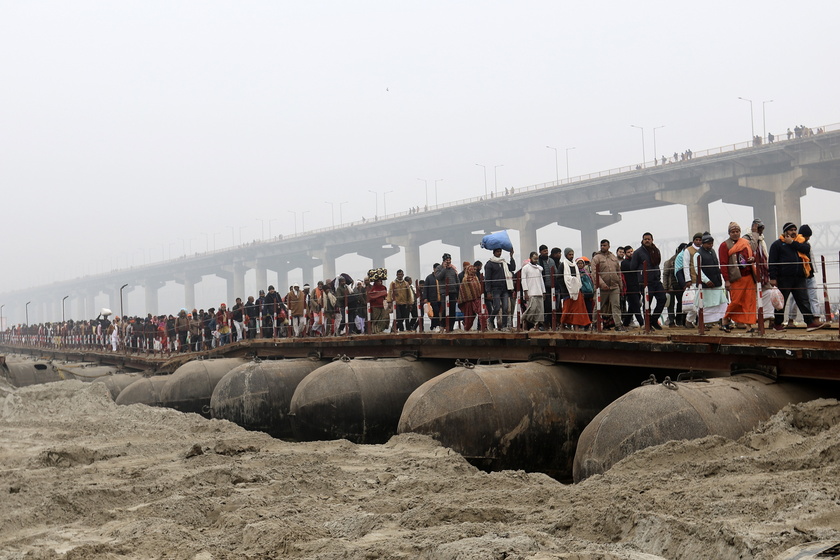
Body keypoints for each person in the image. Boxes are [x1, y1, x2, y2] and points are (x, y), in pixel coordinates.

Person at [768, 222, 826, 332]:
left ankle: (809, 323)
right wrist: (773, 278)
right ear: (785, 232)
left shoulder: (799, 244)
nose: (794, 232)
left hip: (799, 278)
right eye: (791, 230)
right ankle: (777, 324)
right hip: (784, 278)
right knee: (781, 302)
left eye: (795, 229)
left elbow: (806, 249)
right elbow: (772, 262)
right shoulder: (777, 245)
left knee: (803, 301)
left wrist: (792, 243)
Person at [719, 222, 756, 332]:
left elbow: (752, 255)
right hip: (735, 279)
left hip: (748, 277)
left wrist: (752, 259)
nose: (735, 234)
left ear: (740, 232)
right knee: (736, 302)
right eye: (733, 232)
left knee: (749, 302)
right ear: (729, 233)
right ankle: (725, 320)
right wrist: (726, 280)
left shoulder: (745, 243)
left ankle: (749, 326)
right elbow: (723, 264)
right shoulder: (724, 245)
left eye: (737, 231)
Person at [685, 234, 728, 327]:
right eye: (708, 244)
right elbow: (697, 269)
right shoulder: (698, 254)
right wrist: (706, 280)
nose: (710, 245)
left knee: (722, 303)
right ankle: (704, 323)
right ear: (703, 244)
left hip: (716, 283)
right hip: (705, 285)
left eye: (711, 243)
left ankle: (723, 321)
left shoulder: (712, 251)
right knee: (705, 304)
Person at [784, 224, 822, 326]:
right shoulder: (795, 244)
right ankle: (791, 320)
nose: (808, 238)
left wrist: (793, 243)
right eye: (807, 236)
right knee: (796, 299)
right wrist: (792, 243)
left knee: (810, 298)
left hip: (809, 275)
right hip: (800, 277)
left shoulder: (804, 244)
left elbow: (804, 249)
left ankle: (816, 318)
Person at [627, 232, 667, 329]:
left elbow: (658, 263)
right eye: (645, 239)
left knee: (663, 298)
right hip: (645, 282)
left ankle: (654, 320)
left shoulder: (656, 250)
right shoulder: (638, 252)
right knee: (647, 303)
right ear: (642, 240)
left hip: (656, 281)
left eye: (649, 239)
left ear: (652, 240)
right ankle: (648, 324)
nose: (647, 240)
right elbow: (633, 267)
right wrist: (641, 274)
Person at [743, 218, 774, 327]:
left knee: (769, 293)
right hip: (751, 273)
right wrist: (755, 234)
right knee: (752, 298)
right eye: (759, 227)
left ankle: (769, 318)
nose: (761, 230)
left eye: (762, 228)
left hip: (763, 273)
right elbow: (751, 248)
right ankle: (750, 321)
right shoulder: (746, 238)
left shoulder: (762, 239)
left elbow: (765, 256)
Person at [591, 239, 623, 331]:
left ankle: (618, 325)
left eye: (604, 245)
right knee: (598, 306)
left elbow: (618, 272)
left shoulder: (613, 257)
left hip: (614, 286)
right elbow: (594, 273)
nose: (602, 247)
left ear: (609, 246)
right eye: (601, 245)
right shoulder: (596, 258)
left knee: (616, 306)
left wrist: (620, 285)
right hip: (601, 288)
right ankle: (594, 324)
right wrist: (601, 284)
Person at [484, 248, 516, 331]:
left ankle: (504, 326)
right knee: (497, 307)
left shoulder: (503, 262)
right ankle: (490, 320)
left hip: (505, 288)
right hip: (495, 289)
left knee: (505, 308)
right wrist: (488, 291)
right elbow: (487, 279)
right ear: (494, 252)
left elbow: (512, 268)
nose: (499, 253)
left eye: (500, 252)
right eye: (497, 252)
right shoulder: (490, 264)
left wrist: (511, 257)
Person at [519, 251, 545, 331]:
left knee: (540, 311)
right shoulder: (525, 268)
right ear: (530, 258)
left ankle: (536, 327)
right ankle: (524, 320)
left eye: (537, 259)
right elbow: (523, 281)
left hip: (539, 292)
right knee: (531, 309)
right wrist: (525, 292)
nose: (536, 260)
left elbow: (541, 281)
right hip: (531, 292)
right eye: (534, 259)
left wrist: (543, 291)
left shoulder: (539, 268)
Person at [434, 253, 459, 331]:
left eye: (449, 260)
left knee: (452, 310)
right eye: (446, 260)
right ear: (443, 261)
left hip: (453, 291)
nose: (448, 262)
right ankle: (442, 325)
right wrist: (444, 268)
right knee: (445, 309)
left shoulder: (452, 269)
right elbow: (438, 277)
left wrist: (458, 290)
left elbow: (456, 280)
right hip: (444, 292)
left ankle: (451, 328)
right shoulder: (439, 268)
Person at [621, 246, 643, 328]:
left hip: (637, 286)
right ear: (625, 254)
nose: (631, 253)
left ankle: (626, 323)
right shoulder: (625, 263)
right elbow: (632, 267)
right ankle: (642, 323)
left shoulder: (634, 261)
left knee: (632, 306)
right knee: (636, 305)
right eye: (629, 252)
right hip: (629, 287)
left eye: (632, 251)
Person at [458, 264, 483, 331]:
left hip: (477, 299)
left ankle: (483, 327)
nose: (473, 271)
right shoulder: (465, 279)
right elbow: (464, 291)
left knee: (482, 312)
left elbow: (478, 288)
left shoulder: (476, 278)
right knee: (469, 316)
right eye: (472, 270)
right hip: (468, 301)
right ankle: (467, 328)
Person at [423, 264, 442, 332]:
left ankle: (433, 326)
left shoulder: (441, 277)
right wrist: (425, 297)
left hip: (441, 298)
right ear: (433, 269)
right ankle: (436, 325)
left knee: (440, 313)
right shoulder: (429, 278)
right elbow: (425, 288)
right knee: (436, 311)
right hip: (432, 298)